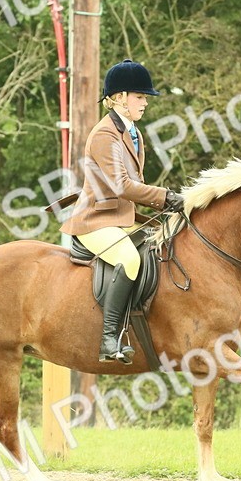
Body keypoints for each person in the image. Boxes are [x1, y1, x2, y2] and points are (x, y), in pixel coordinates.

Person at [61, 59, 185, 364]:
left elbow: (134, 186)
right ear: (118, 98)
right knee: (129, 258)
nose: (145, 102)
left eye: (145, 98)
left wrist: (165, 207)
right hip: (95, 221)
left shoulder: (133, 133)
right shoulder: (105, 135)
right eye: (139, 96)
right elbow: (122, 186)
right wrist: (166, 196)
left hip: (120, 219)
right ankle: (108, 338)